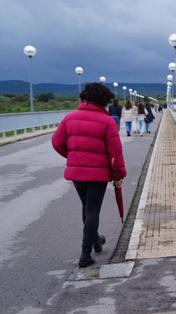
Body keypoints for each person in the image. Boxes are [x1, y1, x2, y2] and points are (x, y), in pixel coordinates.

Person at [51, 83, 127, 268]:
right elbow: (115, 154)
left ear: (84, 98)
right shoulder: (107, 121)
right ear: (103, 101)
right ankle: (85, 254)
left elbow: (57, 142)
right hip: (98, 174)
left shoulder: (69, 118)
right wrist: (118, 174)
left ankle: (96, 242)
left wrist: (74, 157)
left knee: (87, 207)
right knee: (92, 210)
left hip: (77, 174)